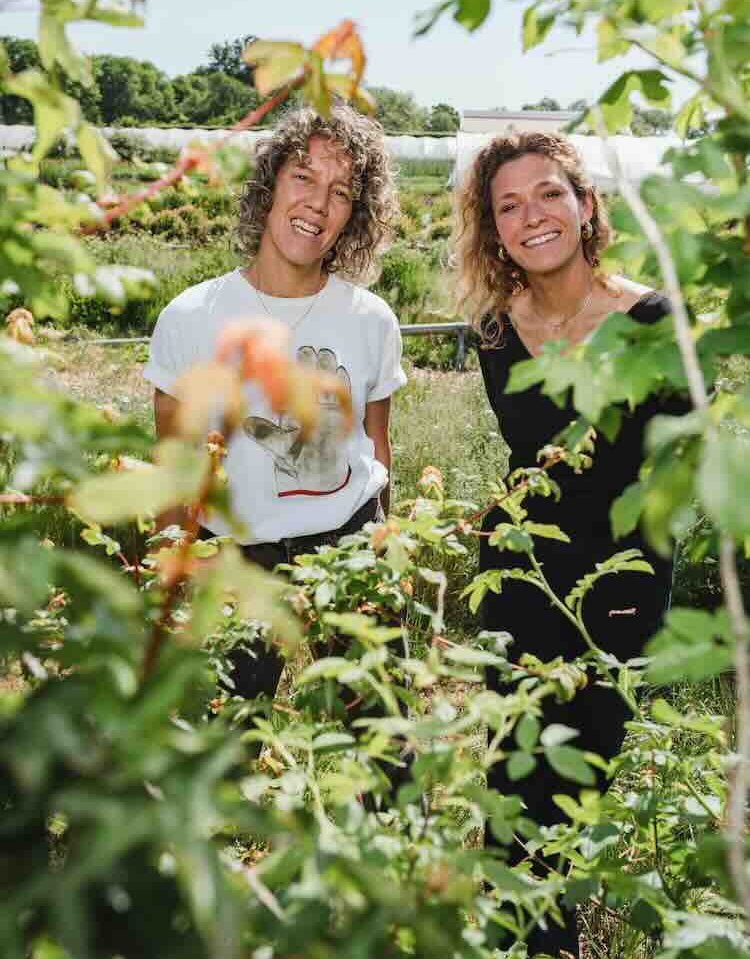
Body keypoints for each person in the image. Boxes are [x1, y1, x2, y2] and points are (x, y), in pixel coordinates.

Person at [454, 132, 683, 957]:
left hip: (621, 584)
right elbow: (535, 455)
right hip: (522, 577)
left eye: (549, 194)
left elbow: (676, 469)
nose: (531, 216)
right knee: (512, 792)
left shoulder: (654, 319)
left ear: (587, 205)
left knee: (577, 786)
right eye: (507, 204)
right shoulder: (492, 330)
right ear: (493, 227)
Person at [144, 104, 406, 724]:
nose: (318, 202)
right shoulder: (192, 316)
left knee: (381, 738)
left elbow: (378, 448)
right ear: (269, 184)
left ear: (354, 216)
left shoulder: (371, 320)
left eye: (341, 191)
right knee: (222, 742)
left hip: (349, 548)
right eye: (303, 176)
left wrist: (384, 552)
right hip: (236, 560)